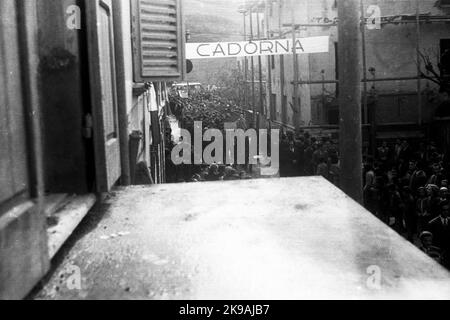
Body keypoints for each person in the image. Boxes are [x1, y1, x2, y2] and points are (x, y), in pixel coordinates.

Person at [429, 201, 450, 267]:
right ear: (440, 210)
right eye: (444, 210)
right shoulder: (433, 223)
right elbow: (430, 240)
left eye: (447, 210)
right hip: (438, 250)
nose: (446, 212)